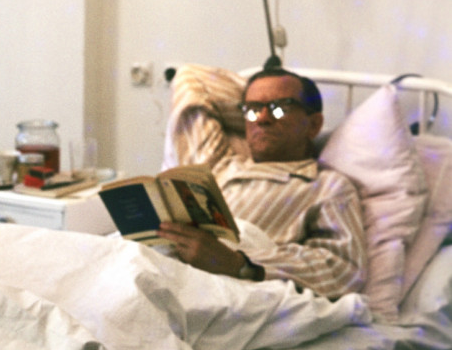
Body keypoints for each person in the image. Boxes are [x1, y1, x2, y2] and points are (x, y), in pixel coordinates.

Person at [157, 63, 366, 299]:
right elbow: (191, 80)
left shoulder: (328, 186)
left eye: (280, 109)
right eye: (253, 110)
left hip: (233, 288)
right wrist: (256, 106)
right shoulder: (216, 163)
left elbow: (343, 270)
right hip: (169, 267)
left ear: (314, 125)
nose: (263, 118)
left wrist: (239, 263)